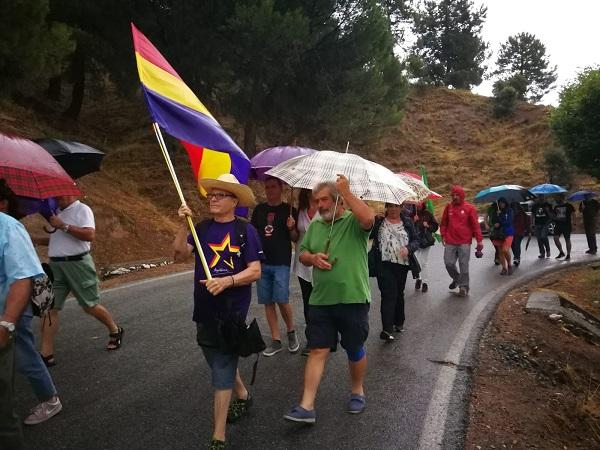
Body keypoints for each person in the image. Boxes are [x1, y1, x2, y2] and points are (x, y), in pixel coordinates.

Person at [173, 173, 263, 449]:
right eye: (211, 194)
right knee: (215, 361)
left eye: (220, 195)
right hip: (204, 308)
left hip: (231, 312)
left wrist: (227, 281)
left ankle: (218, 436)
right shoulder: (199, 228)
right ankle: (244, 395)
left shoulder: (245, 231)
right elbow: (178, 255)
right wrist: (181, 224)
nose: (212, 198)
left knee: (222, 369)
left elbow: (255, 271)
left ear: (234, 200)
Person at [284, 175, 374, 423]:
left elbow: (368, 219)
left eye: (324, 200)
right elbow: (302, 252)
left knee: (354, 347)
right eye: (316, 200)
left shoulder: (353, 220)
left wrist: (348, 191)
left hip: (353, 298)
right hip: (320, 300)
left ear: (338, 201)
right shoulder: (316, 224)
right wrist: (312, 259)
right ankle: (306, 405)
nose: (319, 205)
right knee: (317, 349)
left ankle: (357, 390)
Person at [0, 180, 62, 429]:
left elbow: (24, 276)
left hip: (10, 308)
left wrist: (7, 321)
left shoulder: (8, 227)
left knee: (24, 353)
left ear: (3, 203)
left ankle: (49, 398)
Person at [33, 195, 123, 366]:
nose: (56, 198)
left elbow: (89, 235)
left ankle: (115, 330)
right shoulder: (56, 212)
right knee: (49, 308)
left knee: (89, 305)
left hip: (78, 264)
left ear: (69, 193)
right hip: (56, 267)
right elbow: (59, 240)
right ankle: (46, 354)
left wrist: (63, 225)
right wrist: (36, 240)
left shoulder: (83, 210)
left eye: (59, 196)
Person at [251, 177, 299, 356]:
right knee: (267, 301)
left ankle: (291, 331)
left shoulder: (290, 211)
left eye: (273, 187)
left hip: (281, 261)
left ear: (281, 189)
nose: (270, 190)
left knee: (281, 298)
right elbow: (253, 234)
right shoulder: (259, 210)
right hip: (262, 262)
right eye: (267, 187)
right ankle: (276, 339)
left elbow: (294, 238)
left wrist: (291, 228)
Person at [370, 203, 420, 341]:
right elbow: (368, 234)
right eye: (390, 206)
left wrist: (409, 249)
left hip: (402, 265)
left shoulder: (407, 222)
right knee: (388, 294)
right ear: (387, 207)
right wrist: (372, 219)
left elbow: (416, 240)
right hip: (383, 265)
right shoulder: (379, 221)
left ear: (401, 208)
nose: (393, 209)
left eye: (396, 206)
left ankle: (399, 322)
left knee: (398, 294)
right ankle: (387, 329)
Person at [440, 185, 484, 297]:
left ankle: (463, 287)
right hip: (450, 240)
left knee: (463, 265)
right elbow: (444, 223)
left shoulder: (469, 208)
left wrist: (479, 241)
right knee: (448, 263)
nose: (455, 197)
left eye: (457, 195)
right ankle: (457, 279)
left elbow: (475, 226)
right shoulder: (448, 207)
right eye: (453, 195)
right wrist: (443, 235)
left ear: (462, 195)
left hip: (464, 242)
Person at [293, 189, 319, 356]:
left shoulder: (326, 208)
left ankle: (327, 336)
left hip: (321, 262)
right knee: (308, 303)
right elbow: (295, 237)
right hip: (303, 263)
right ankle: (311, 340)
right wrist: (290, 228)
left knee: (323, 302)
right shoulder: (299, 211)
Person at [413, 202, 439, 293]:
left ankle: (425, 282)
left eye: (420, 203)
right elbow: (407, 227)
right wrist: (413, 221)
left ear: (423, 204)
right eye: (417, 203)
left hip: (425, 241)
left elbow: (435, 226)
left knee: (424, 262)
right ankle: (419, 278)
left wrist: (428, 225)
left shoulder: (428, 214)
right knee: (417, 262)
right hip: (414, 242)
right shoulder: (412, 214)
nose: (418, 205)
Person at [490, 198, 514, 275]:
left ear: (505, 203)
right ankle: (504, 267)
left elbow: (509, 221)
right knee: (500, 251)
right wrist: (496, 220)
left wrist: (500, 217)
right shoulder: (496, 211)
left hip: (508, 232)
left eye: (503, 203)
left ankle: (509, 265)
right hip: (498, 234)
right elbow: (493, 221)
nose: (501, 205)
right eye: (500, 203)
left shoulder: (510, 211)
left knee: (505, 250)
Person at [553, 195, 576, 260]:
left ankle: (568, 254)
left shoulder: (568, 205)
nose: (556, 199)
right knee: (555, 238)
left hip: (567, 225)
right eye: (556, 198)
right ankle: (561, 252)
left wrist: (574, 223)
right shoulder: (556, 207)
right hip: (558, 225)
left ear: (562, 198)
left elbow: (573, 214)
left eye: (558, 198)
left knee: (567, 239)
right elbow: (554, 215)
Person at [510, 202, 529, 266]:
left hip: (520, 232)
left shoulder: (522, 213)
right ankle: (516, 256)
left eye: (515, 206)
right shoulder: (510, 213)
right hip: (511, 231)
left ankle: (517, 258)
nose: (515, 208)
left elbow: (527, 222)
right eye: (513, 207)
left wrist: (529, 231)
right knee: (512, 245)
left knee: (516, 244)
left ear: (518, 206)